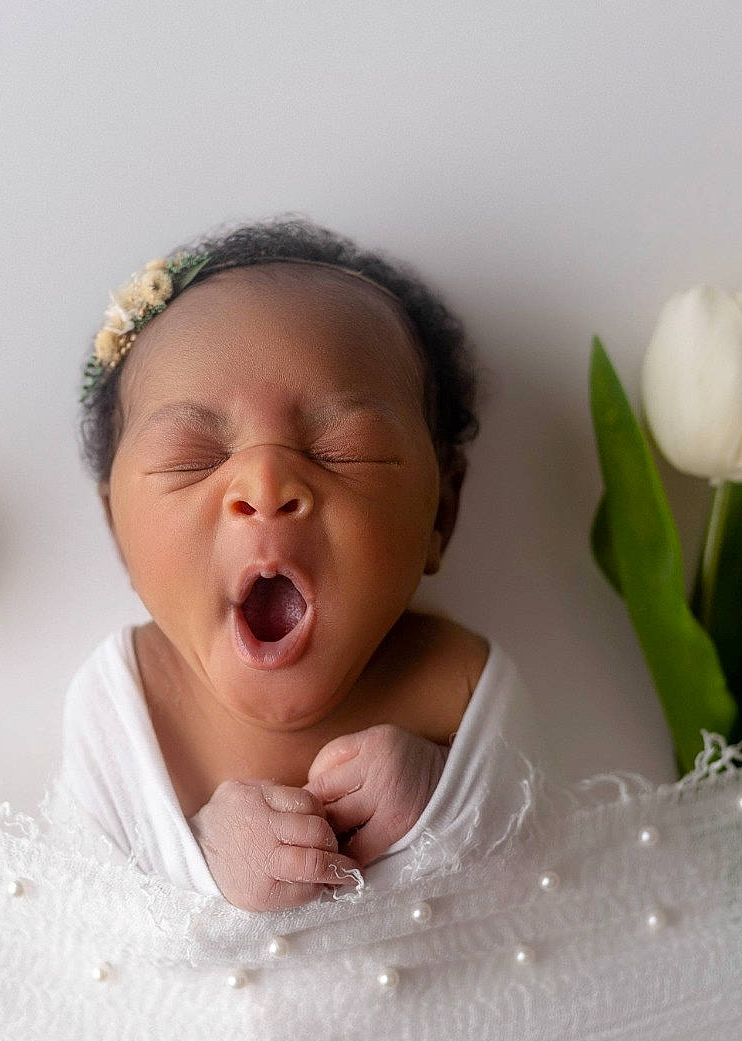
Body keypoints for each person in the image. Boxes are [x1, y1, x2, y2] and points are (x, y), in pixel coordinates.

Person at [46, 216, 552, 911]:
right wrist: (200, 855)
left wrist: (440, 793)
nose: (264, 488)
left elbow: (542, 878)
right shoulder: (126, 701)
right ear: (117, 531)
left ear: (442, 510)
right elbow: (83, 918)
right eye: (193, 459)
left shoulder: (459, 681)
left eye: (343, 450)